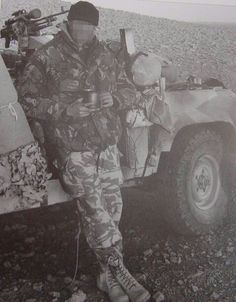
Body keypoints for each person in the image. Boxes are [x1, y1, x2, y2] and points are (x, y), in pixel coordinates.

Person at [19, 2, 151, 302]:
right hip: (71, 148)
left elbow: (130, 91)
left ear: (95, 27)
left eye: (88, 26)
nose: (82, 30)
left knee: (113, 208)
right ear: (68, 24)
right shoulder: (47, 56)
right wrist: (64, 109)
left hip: (105, 145)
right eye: (77, 24)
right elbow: (25, 101)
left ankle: (106, 277)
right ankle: (121, 272)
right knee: (96, 211)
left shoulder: (105, 54)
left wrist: (112, 98)